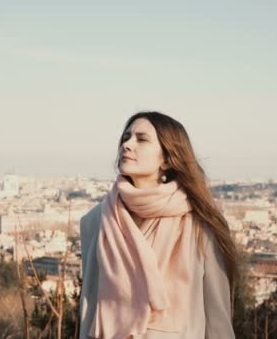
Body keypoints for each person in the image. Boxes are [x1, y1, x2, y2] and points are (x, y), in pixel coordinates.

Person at [79, 111, 238, 338]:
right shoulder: (96, 221)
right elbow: (89, 306)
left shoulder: (200, 224)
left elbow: (217, 319)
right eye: (126, 137)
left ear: (166, 159)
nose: (127, 145)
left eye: (141, 139)